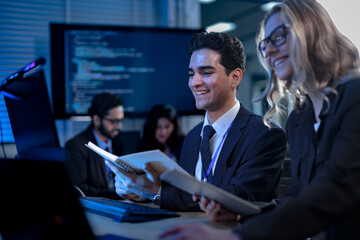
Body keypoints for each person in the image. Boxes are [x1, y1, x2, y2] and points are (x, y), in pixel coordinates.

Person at [160, 0, 360, 239]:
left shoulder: (355, 96)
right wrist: (241, 214)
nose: (269, 51)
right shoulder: (300, 118)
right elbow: (298, 196)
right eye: (266, 43)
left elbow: (334, 192)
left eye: (279, 37)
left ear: (312, 33)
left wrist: (235, 237)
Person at [106, 31, 287, 210]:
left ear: (235, 77)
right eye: (192, 74)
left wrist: (158, 192)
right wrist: (142, 192)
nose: (194, 82)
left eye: (206, 73)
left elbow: (242, 196)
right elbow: (182, 196)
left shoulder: (265, 134)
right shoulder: (192, 137)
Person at [64, 92, 124, 200]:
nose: (119, 126)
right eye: (113, 121)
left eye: (120, 120)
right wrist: (117, 194)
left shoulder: (118, 143)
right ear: (96, 120)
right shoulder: (76, 146)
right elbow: (80, 190)